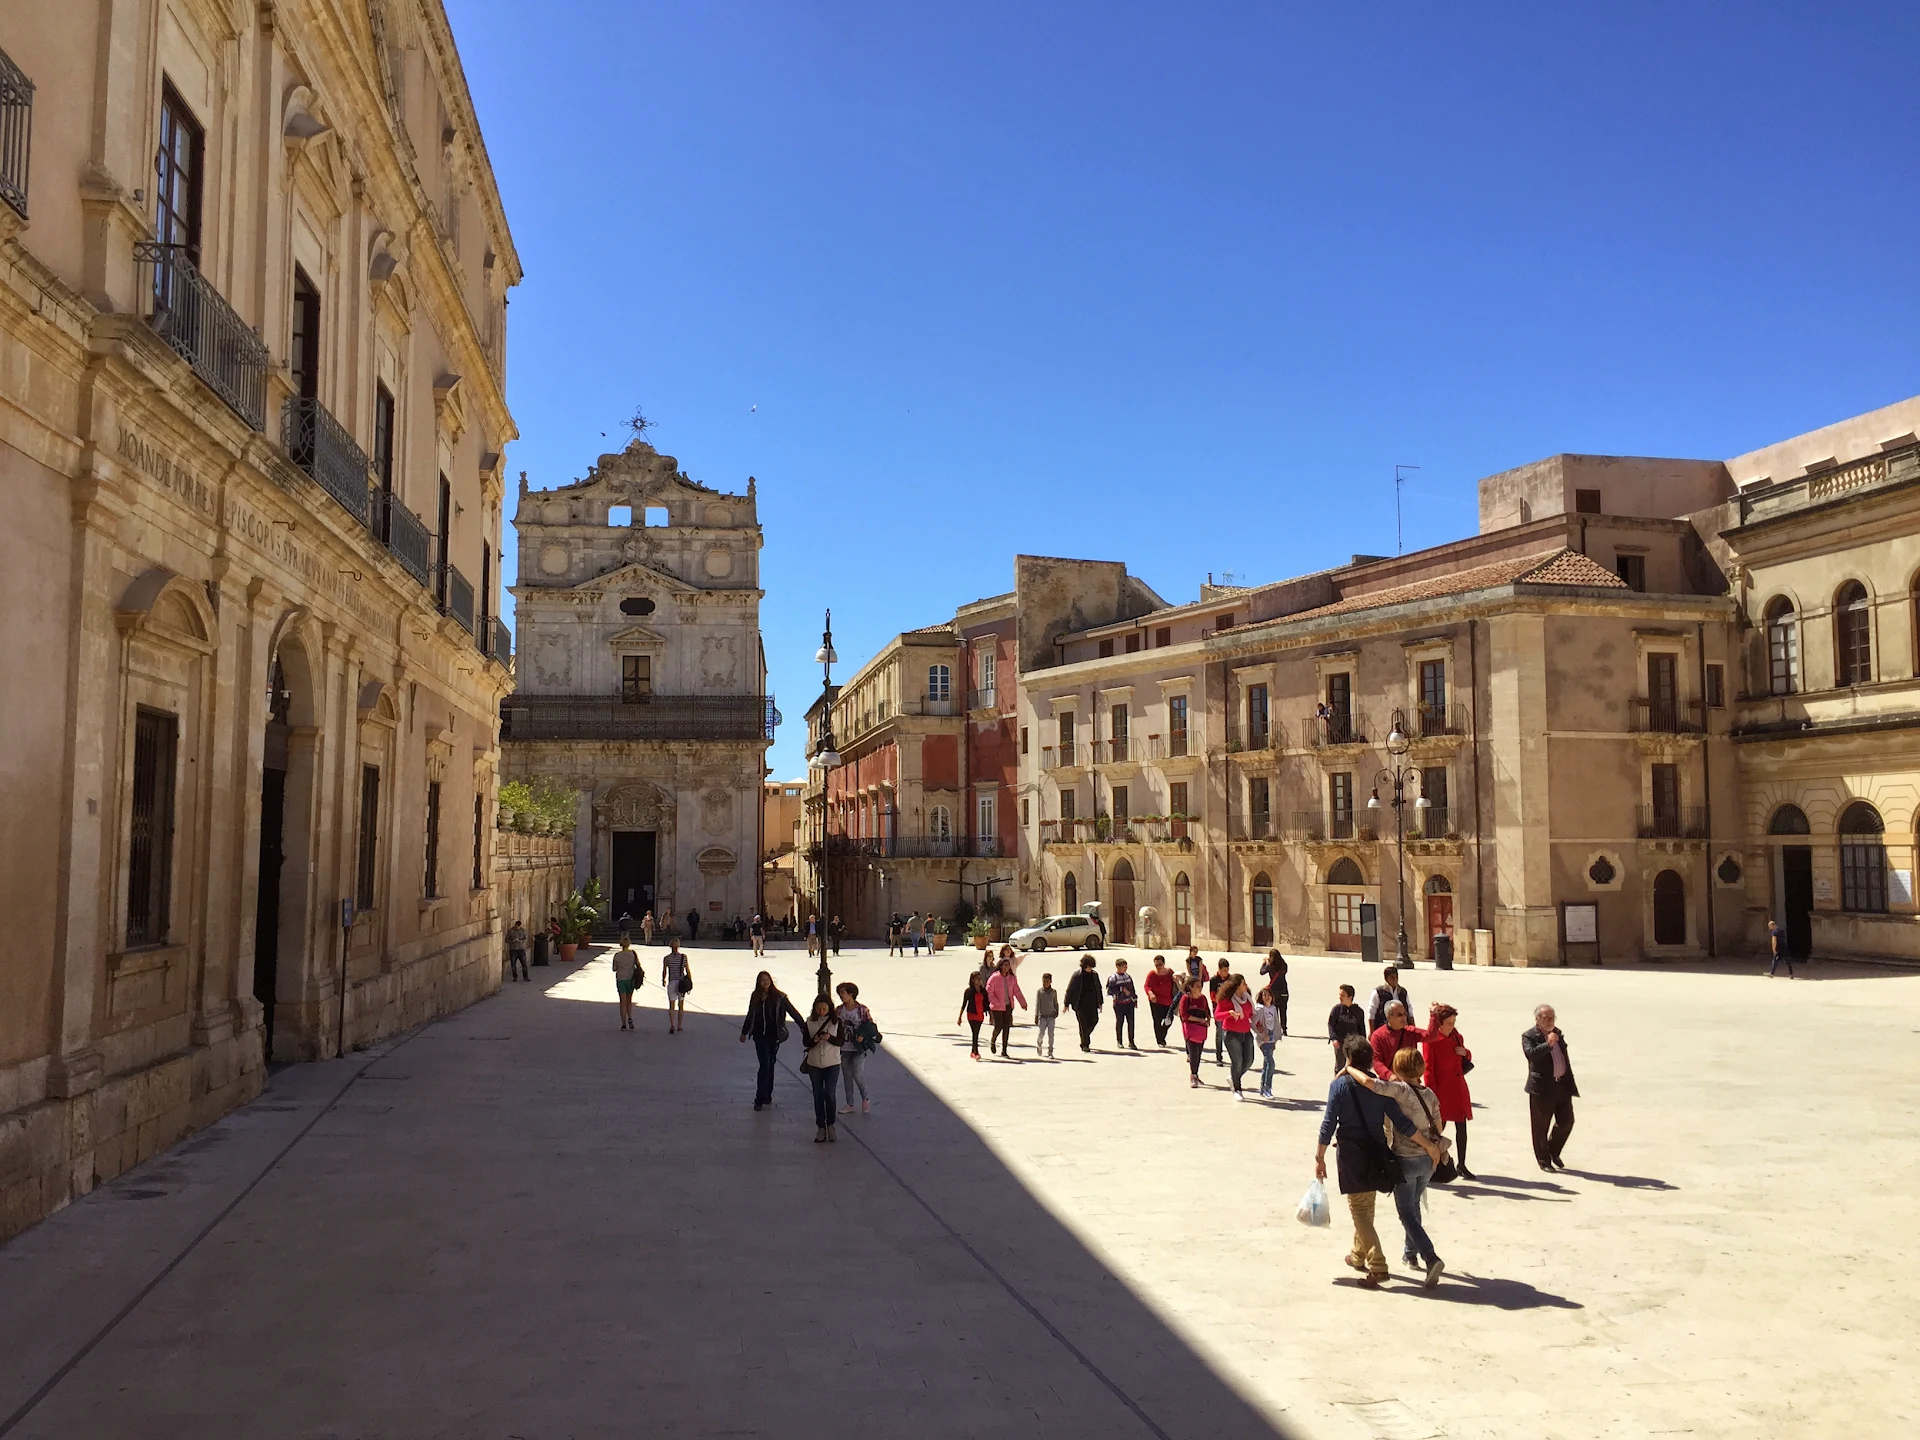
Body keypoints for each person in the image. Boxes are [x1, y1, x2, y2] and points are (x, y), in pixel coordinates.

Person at [1313, 1035, 1422, 1286]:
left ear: (1348, 1059)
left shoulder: (1339, 1086)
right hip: (1377, 1152)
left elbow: (1328, 1124)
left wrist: (1319, 1158)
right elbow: (1401, 1121)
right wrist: (1427, 1143)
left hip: (1352, 1153)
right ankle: (1358, 1254)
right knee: (1366, 1206)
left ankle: (1378, 1264)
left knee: (1359, 1209)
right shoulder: (1378, 1086)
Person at [1344, 1046, 1449, 1287]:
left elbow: (1370, 1083)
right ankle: (1409, 1254)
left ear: (1398, 1069)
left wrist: (1349, 1067)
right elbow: (1440, 1127)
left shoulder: (1400, 1090)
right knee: (1414, 1205)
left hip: (1407, 1160)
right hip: (1429, 1160)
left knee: (1406, 1213)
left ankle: (1430, 1257)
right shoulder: (1430, 1093)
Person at [1421, 1003, 1475, 1179]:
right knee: (1437, 1129)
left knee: (1462, 1127)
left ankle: (1462, 1164)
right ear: (1440, 1023)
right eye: (1449, 1023)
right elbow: (1428, 1069)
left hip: (1458, 1089)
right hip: (1442, 1092)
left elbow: (1466, 1057)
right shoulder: (1433, 1041)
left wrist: (1465, 1052)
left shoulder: (1456, 1036)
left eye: (1453, 1022)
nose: (1452, 1026)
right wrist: (1432, 1095)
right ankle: (1428, 1163)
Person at [739, 971, 806, 1111]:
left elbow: (792, 1011)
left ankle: (767, 1094)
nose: (765, 982)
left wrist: (803, 1027)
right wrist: (744, 1032)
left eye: (767, 979)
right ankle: (759, 1098)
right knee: (764, 1064)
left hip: (774, 1036)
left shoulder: (779, 997)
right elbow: (750, 1014)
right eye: (762, 980)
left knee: (770, 1064)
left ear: (771, 980)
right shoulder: (755, 996)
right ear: (758, 982)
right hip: (759, 1036)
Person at [1522, 1004, 1578, 1171]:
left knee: (1567, 1121)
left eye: (1552, 1018)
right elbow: (1530, 1055)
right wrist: (1548, 1044)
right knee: (1540, 1127)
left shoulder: (1558, 1033)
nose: (1550, 1021)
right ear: (1537, 1019)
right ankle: (1544, 1161)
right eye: (1546, 1018)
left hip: (1561, 1085)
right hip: (1542, 1088)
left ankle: (1553, 1151)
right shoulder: (1529, 1036)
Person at [802, 998, 845, 1142]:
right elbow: (805, 1042)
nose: (821, 1012)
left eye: (824, 1009)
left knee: (830, 1094)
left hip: (832, 1063)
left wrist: (829, 1038)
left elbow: (841, 1041)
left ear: (829, 1009)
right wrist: (814, 1040)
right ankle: (821, 1127)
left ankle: (831, 1125)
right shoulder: (809, 1022)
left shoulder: (837, 1021)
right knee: (818, 1095)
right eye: (818, 1009)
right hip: (814, 1063)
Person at [835, 982, 878, 1114]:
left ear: (851, 994)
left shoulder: (861, 1009)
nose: (841, 996)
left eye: (843, 993)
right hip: (844, 1047)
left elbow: (871, 1026)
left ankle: (865, 1098)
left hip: (858, 1048)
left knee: (857, 1074)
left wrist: (863, 1036)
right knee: (846, 1075)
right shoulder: (839, 1010)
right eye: (840, 993)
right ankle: (850, 1103)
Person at [1215, 974, 1256, 1100]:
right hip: (1232, 1034)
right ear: (1237, 986)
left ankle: (1233, 1077)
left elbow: (1251, 1014)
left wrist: (1259, 1025)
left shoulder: (1247, 996)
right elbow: (1217, 1016)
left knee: (1249, 1061)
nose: (1246, 985)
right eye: (1243, 983)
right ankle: (1237, 1089)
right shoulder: (1226, 999)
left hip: (1246, 1033)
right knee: (1237, 1062)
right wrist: (1229, 1013)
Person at [1370, 1000, 1424, 1080]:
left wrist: (1434, 1016)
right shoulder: (1378, 1036)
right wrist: (1389, 1075)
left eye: (1405, 1014)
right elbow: (1375, 1060)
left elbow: (1431, 1036)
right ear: (1389, 1017)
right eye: (1399, 1015)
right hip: (1390, 1084)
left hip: (1410, 1082)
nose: (1404, 1017)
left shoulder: (1411, 1031)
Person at [1176, 974, 1213, 1088]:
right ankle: (1193, 1075)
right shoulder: (1186, 998)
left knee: (1199, 1054)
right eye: (1197, 986)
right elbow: (1184, 1015)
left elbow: (1207, 1011)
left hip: (1201, 1031)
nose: (1199, 988)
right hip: (1190, 1031)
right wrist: (1200, 1020)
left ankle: (1196, 1074)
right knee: (1193, 1054)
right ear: (1190, 987)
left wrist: (1207, 1020)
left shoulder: (1203, 998)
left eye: (1200, 985)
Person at [985, 956, 1027, 1056]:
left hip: (1008, 1006)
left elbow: (1017, 991)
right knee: (998, 1027)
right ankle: (993, 1040)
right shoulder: (994, 978)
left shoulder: (1012, 978)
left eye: (1008, 965)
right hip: (997, 1007)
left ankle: (1004, 1050)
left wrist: (1023, 1003)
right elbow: (989, 991)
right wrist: (995, 1002)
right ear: (1000, 966)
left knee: (1006, 1028)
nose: (1006, 967)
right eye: (1005, 965)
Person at [1063, 955, 1104, 1052]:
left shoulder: (1094, 975)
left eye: (1092, 967)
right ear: (1084, 965)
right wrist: (1066, 1004)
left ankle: (1085, 1035)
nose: (1090, 969)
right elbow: (1070, 990)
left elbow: (1099, 989)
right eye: (1089, 967)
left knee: (1094, 1020)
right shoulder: (1077, 976)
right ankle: (1084, 1044)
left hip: (1092, 1004)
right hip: (1080, 1005)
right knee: (1083, 1025)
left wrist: (1100, 1002)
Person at [1327, 983, 1366, 1075]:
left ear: (1350, 997)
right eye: (1339, 995)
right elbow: (1331, 1024)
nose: (1340, 997)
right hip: (1340, 1043)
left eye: (1342, 995)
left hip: (1353, 1043)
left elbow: (1361, 1028)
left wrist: (1363, 1042)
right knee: (1339, 1065)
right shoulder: (1336, 1010)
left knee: (1355, 1066)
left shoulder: (1358, 1011)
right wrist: (1334, 1038)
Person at [1252, 986, 1281, 1099]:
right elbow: (1253, 1023)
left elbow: (1276, 1024)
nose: (1267, 997)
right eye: (1264, 995)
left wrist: (1276, 1038)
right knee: (1271, 1063)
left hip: (1271, 1038)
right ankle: (1268, 1088)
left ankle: (1262, 1088)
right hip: (1263, 1039)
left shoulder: (1273, 1009)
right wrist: (1262, 1035)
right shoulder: (1260, 1009)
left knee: (1266, 1065)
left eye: (1268, 995)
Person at [1143, 955, 1177, 1047]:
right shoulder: (1152, 974)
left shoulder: (1170, 972)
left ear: (1164, 963)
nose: (1158, 967)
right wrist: (1150, 993)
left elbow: (1177, 980)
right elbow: (1146, 986)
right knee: (1157, 1021)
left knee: (1169, 1020)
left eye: (1160, 964)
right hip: (1155, 1001)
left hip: (1168, 1001)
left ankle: (1162, 1034)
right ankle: (1160, 1040)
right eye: (1156, 965)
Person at [1107, 959, 1140, 1050]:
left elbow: (1132, 989)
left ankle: (1131, 1041)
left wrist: (1135, 999)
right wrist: (1121, 989)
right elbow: (1110, 991)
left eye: (1126, 966)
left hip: (1129, 1003)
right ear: (1118, 966)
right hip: (1119, 1004)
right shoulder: (1113, 978)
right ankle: (1119, 1041)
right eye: (1123, 966)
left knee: (1131, 1022)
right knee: (1120, 1022)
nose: (1125, 968)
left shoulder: (1128, 977)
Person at [1367, 966, 1411, 1032]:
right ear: (1386, 979)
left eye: (1396, 977)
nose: (1394, 979)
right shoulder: (1378, 992)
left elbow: (1409, 1010)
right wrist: (1372, 1031)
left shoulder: (1403, 992)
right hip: (1383, 1027)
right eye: (1391, 977)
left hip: (1401, 1028)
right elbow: (1371, 1012)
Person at [661, 939, 690, 1034]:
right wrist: (690, 981)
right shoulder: (684, 957)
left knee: (671, 1005)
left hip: (672, 982)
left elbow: (664, 971)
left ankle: (672, 1025)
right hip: (681, 983)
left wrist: (663, 980)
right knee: (681, 1004)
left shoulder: (667, 958)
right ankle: (679, 1025)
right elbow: (688, 970)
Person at [1208, 959, 1233, 1066]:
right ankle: (1219, 1056)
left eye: (1227, 970)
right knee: (1220, 1032)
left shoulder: (1231, 979)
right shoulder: (1214, 980)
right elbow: (1212, 996)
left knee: (1230, 1032)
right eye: (1224, 970)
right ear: (1219, 969)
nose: (1225, 973)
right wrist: (1221, 1001)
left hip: (1229, 1008)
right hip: (1218, 1008)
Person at [611, 942, 642, 1029]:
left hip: (621, 979)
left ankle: (623, 1024)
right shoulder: (633, 954)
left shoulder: (617, 955)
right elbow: (638, 964)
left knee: (622, 1002)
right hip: (630, 979)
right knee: (629, 1001)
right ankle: (630, 1017)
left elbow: (614, 969)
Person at [1258, 948, 1289, 1036]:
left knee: (1274, 1010)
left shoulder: (1270, 966)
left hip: (1274, 991)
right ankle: (1284, 1029)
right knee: (1283, 1010)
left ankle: (1275, 1028)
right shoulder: (1284, 965)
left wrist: (1264, 963)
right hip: (1284, 990)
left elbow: (1261, 972)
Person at [958, 972, 988, 1059]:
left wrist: (991, 1016)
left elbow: (987, 1004)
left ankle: (973, 1051)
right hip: (971, 1014)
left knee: (976, 1032)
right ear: (972, 980)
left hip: (980, 1014)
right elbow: (964, 1004)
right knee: (975, 1032)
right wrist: (960, 1017)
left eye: (980, 978)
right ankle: (976, 1052)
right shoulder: (968, 991)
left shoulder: (983, 991)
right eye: (977, 979)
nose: (979, 980)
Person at [1034, 973, 1059, 1058]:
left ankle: (1050, 1051)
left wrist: (1056, 1011)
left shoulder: (1053, 992)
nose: (1045, 983)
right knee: (1041, 1033)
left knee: (1051, 1034)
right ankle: (1039, 1044)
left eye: (1047, 981)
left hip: (1051, 1016)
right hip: (1043, 1017)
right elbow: (1037, 1004)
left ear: (1050, 982)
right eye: (1044, 981)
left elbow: (1055, 1002)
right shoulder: (1040, 992)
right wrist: (1036, 1015)